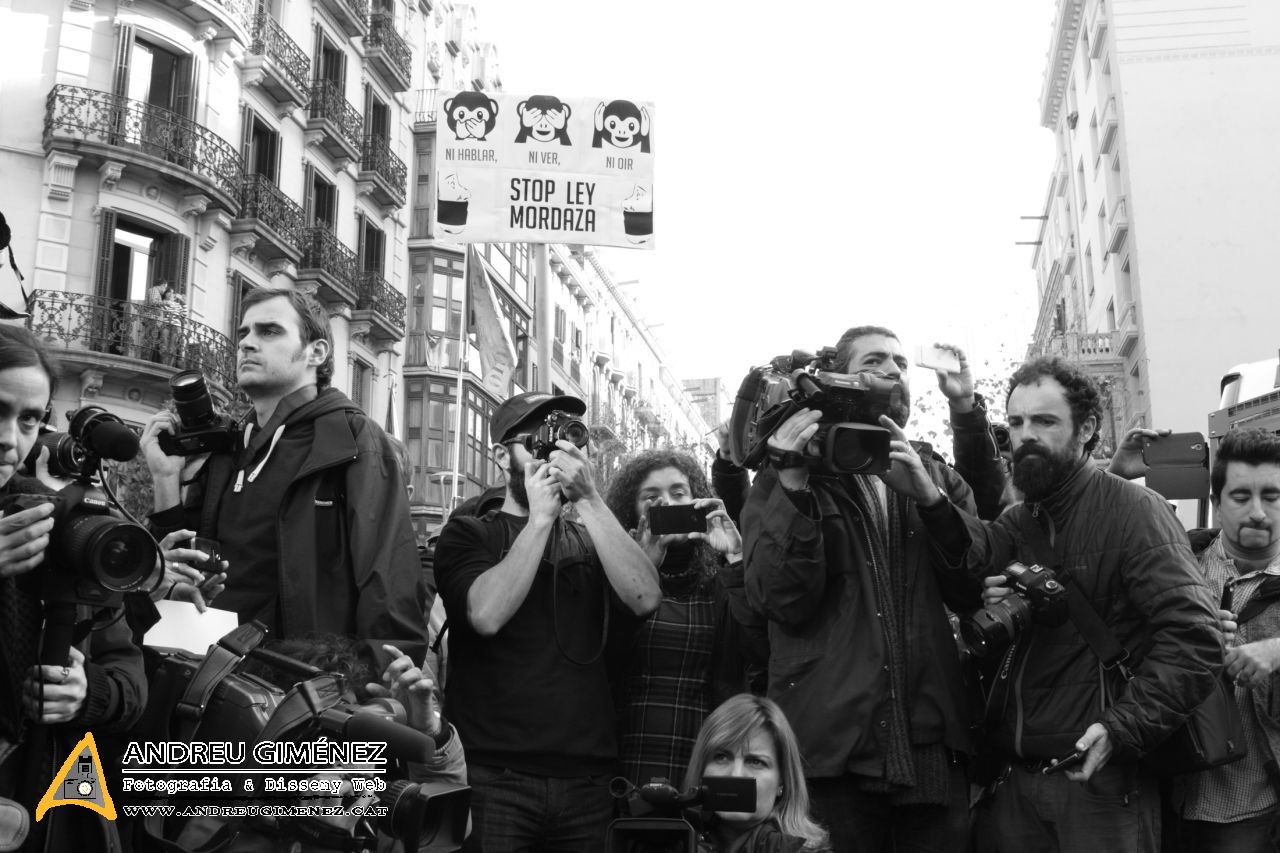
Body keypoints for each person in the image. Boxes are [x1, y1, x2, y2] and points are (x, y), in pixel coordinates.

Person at [909, 356, 1222, 853]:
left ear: (1087, 429)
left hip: (1098, 783)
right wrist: (930, 501)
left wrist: (1121, 729)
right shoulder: (1017, 520)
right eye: (1016, 422)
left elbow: (1195, 639)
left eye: (1045, 421)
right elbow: (971, 559)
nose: (1025, 435)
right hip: (1013, 784)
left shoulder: (1134, 511)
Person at [742, 326, 1002, 851]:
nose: (893, 372)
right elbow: (778, 600)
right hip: (830, 746)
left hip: (931, 738)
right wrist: (792, 483)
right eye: (876, 360)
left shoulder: (935, 475)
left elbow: (974, 585)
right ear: (836, 378)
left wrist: (931, 502)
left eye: (901, 363)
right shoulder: (786, 477)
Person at [141, 288, 427, 661]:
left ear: (316, 352)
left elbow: (388, 575)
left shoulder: (354, 440)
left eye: (269, 331)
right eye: (243, 333)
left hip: (306, 686)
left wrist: (381, 685)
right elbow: (182, 566)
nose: (246, 344)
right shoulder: (229, 445)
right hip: (213, 679)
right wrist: (165, 480)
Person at [433, 390, 661, 851]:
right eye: (539, 442)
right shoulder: (470, 532)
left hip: (587, 779)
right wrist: (539, 520)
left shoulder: (589, 533)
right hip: (495, 776)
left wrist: (590, 499)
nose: (556, 456)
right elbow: (486, 614)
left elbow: (644, 597)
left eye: (567, 442)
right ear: (501, 455)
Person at [0, 324, 148, 852]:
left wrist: (90, 695)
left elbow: (129, 672)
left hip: (47, 811)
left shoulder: (55, 521)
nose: (9, 438)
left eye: (28, 419)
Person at [1112, 426, 1280, 851]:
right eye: (1241, 497)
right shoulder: (1181, 565)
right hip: (1168, 795)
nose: (1258, 511)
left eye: (1272, 497)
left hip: (1255, 805)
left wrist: (1275, 650)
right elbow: (1094, 560)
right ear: (1217, 505)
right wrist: (1115, 475)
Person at [605, 449, 768, 788]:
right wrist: (641, 568)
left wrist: (735, 558)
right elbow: (606, 655)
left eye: (678, 493)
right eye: (652, 497)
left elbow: (759, 653)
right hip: (623, 754)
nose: (667, 503)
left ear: (698, 500)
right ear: (631, 511)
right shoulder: (611, 577)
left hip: (702, 756)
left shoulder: (719, 583)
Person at [682, 694, 830, 852]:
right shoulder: (672, 843)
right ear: (701, 770)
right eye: (721, 757)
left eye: (755, 762)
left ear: (782, 781)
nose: (736, 775)